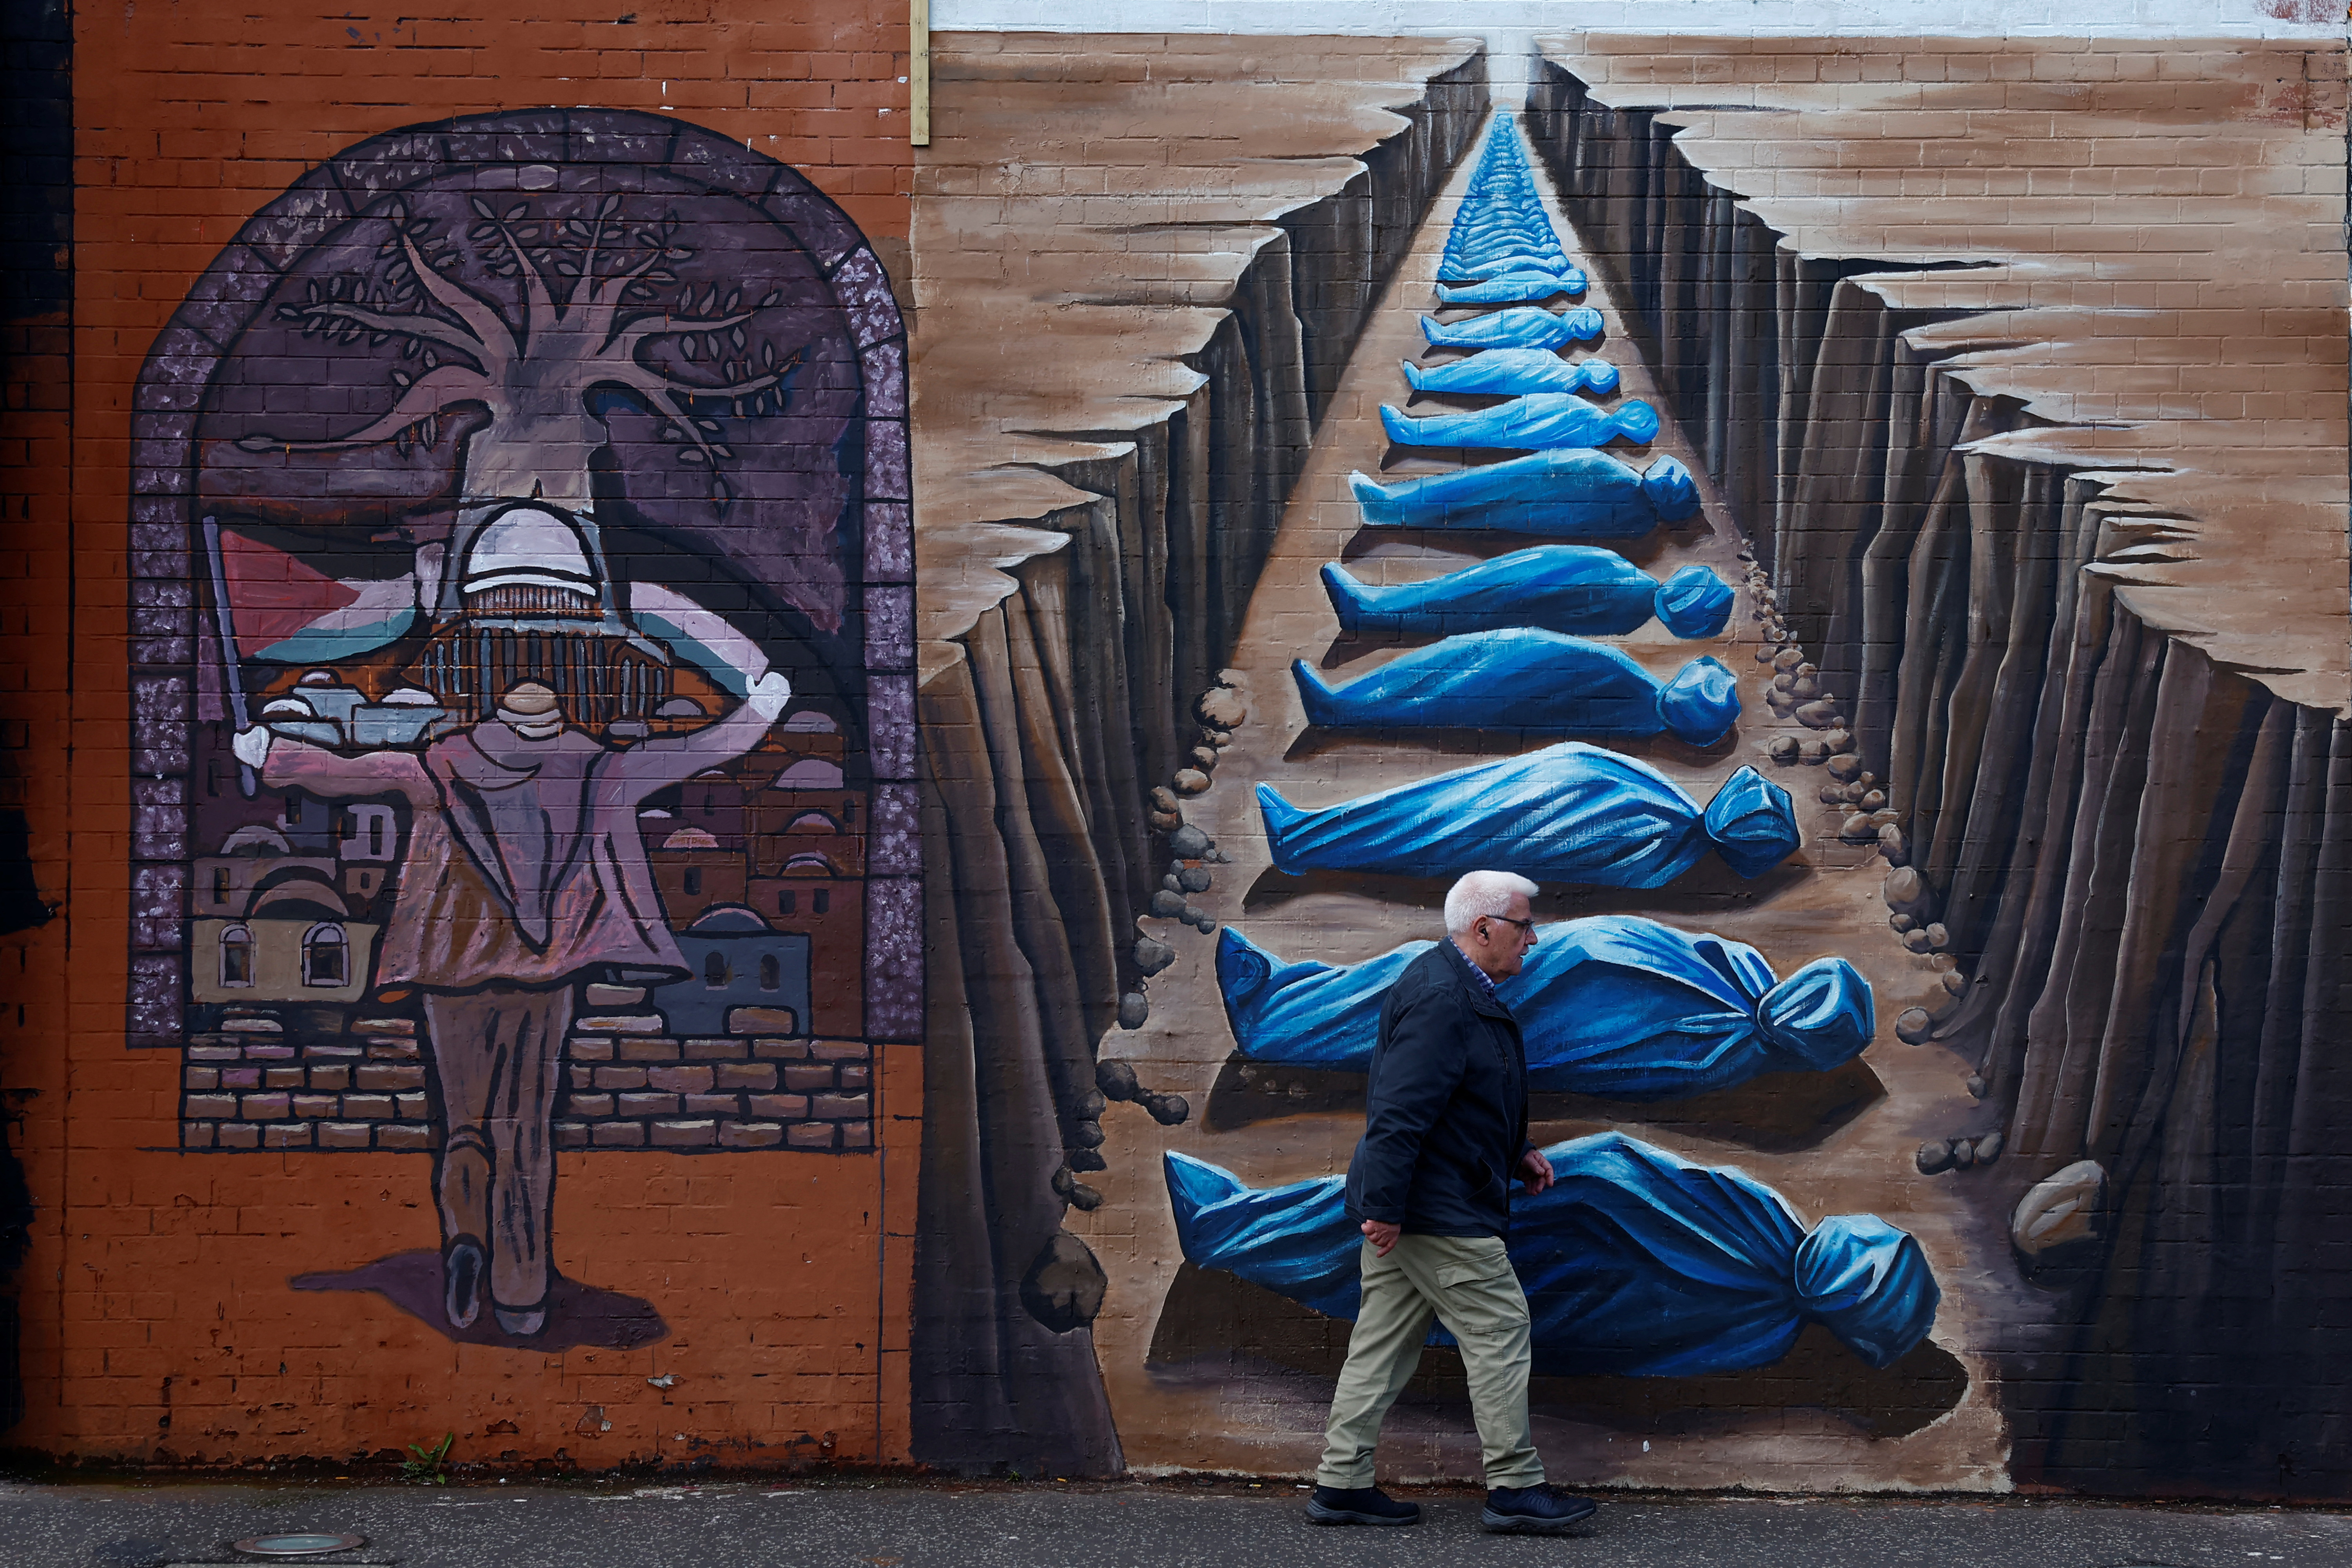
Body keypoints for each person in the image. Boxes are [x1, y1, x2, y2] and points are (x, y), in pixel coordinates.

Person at [232, 673, 791, 1336]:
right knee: (524, 1134)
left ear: (499, 718)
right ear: (552, 721)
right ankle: (522, 1295)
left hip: (452, 972)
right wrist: (763, 706)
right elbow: (695, 751)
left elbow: (352, 772)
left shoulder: (444, 762)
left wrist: (269, 753)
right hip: (544, 976)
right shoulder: (597, 768)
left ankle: (466, 1236)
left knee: (463, 1122)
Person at [1305, 869, 1597, 1534]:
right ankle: (1516, 1487)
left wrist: (1515, 1151)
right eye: (1525, 925)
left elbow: (1463, 1095)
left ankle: (1342, 1483)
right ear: (1484, 928)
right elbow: (1400, 1112)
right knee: (1499, 1329)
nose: (1535, 938)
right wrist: (1384, 1206)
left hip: (1421, 1201)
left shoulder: (1462, 989)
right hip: (1435, 1208)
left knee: (1382, 1343)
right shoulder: (1444, 997)